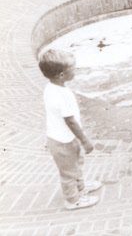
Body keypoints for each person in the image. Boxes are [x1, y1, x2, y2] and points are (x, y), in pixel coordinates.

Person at [39, 49, 103, 210]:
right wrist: (85, 140)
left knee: (75, 164)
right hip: (63, 141)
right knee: (68, 172)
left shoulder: (51, 88)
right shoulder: (62, 95)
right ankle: (72, 199)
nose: (75, 71)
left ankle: (80, 186)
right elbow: (71, 121)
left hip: (61, 138)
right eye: (73, 69)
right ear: (61, 75)